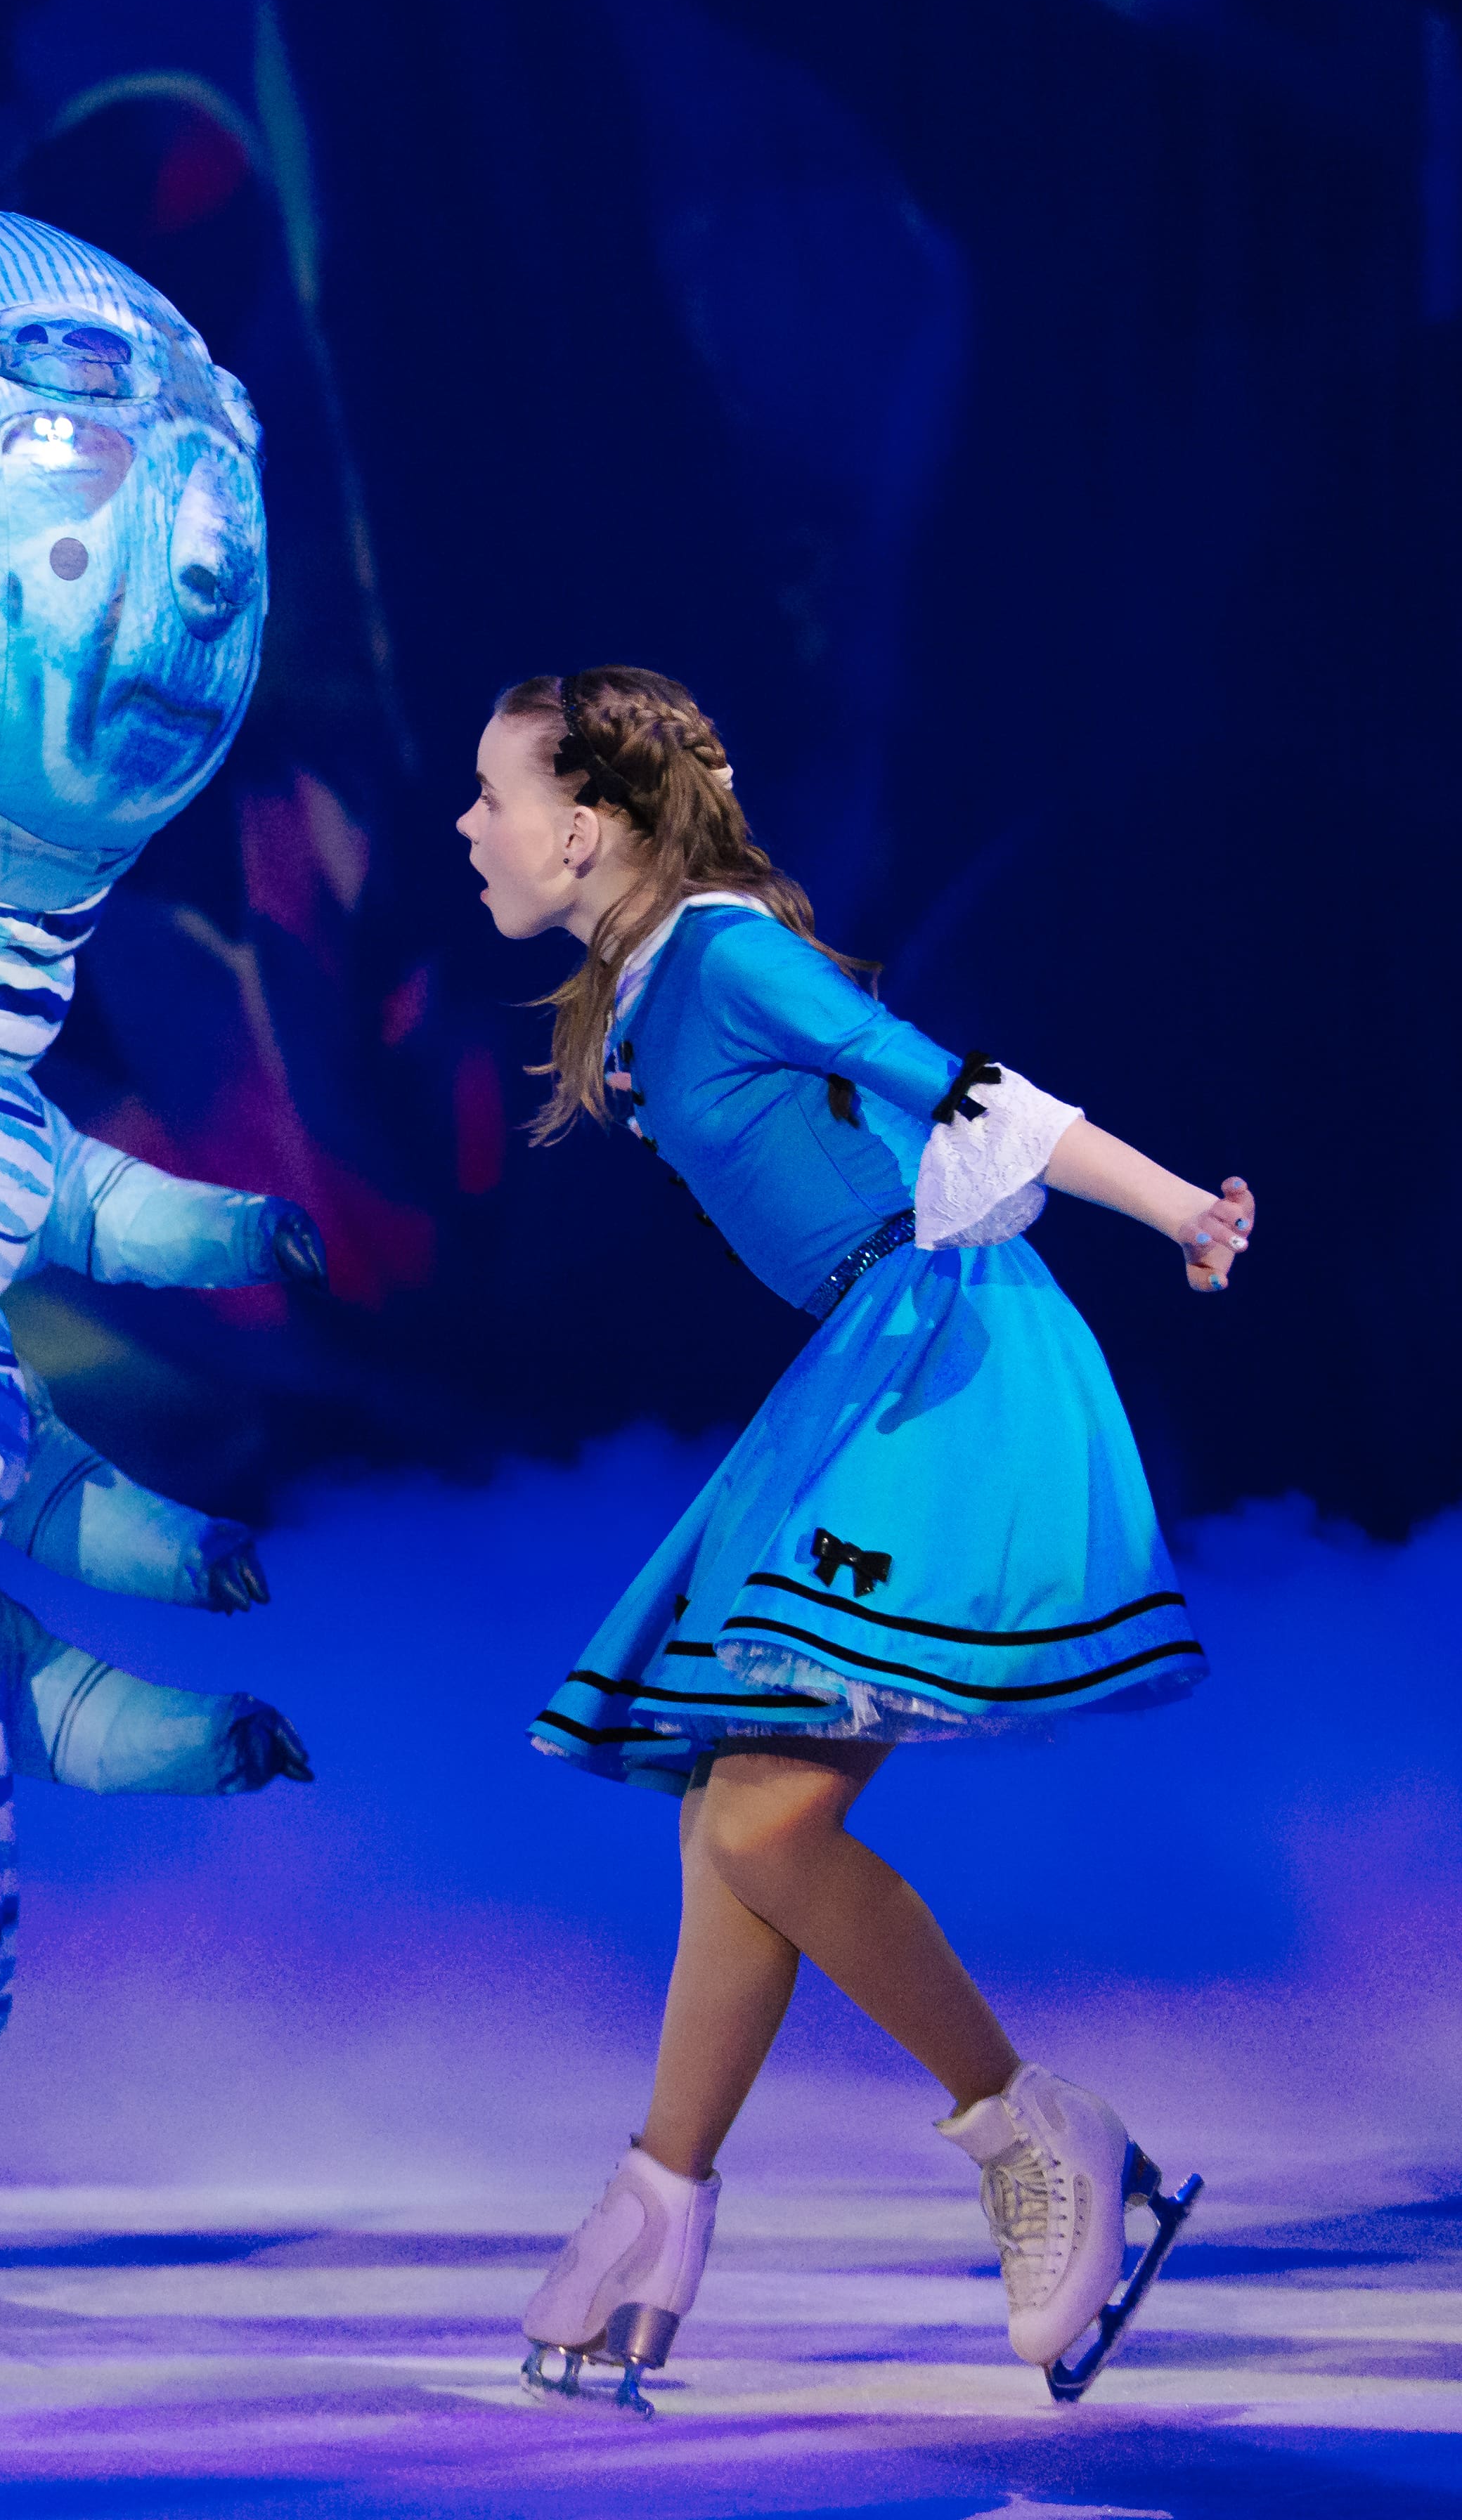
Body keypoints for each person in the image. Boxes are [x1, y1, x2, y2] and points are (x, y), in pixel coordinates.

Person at [457, 667, 1239, 2408]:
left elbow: (957, 1089)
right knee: (733, 1816)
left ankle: (1035, 2129)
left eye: (492, 795)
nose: (467, 825)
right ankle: (658, 2201)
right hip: (869, 1363)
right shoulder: (648, 987)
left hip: (944, 1359)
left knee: (764, 1811)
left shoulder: (726, 955)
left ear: (583, 827)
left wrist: (1178, 1206)